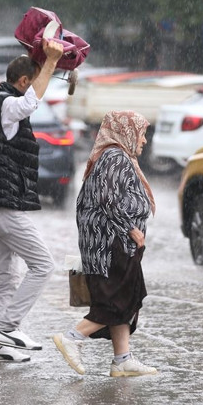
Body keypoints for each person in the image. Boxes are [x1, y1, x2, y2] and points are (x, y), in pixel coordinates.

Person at [0, 39, 64, 363]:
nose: (36, 88)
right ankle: (8, 328)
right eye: (34, 82)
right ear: (23, 82)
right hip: (0, 207)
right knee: (44, 265)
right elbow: (29, 104)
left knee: (8, 278)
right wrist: (50, 62)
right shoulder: (9, 104)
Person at [53, 110, 159, 377]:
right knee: (113, 302)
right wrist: (131, 229)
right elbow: (108, 200)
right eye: (142, 133)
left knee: (125, 299)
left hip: (115, 243)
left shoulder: (117, 156)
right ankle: (72, 337)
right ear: (126, 131)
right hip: (112, 244)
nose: (144, 140)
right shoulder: (115, 157)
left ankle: (122, 359)